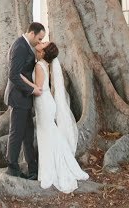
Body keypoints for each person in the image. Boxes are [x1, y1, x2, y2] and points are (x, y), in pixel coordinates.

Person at [21, 40, 89, 192]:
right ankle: (58, 164)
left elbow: (38, 89)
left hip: (43, 103)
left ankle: (51, 170)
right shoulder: (44, 64)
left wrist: (23, 80)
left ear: (44, 52)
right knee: (49, 135)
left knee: (47, 136)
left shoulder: (39, 66)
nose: (41, 42)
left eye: (44, 43)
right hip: (46, 103)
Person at [5, 21, 45, 179]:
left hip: (25, 99)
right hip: (18, 98)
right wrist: (32, 89)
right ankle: (12, 167)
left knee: (28, 134)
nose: (40, 42)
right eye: (39, 38)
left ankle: (33, 169)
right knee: (16, 133)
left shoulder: (27, 45)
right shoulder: (20, 46)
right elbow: (13, 75)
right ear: (32, 33)